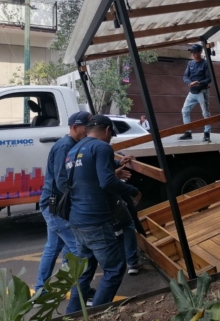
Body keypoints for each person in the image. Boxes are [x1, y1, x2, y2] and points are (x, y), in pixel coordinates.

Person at [65, 115, 142, 314]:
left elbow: (88, 173)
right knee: (115, 269)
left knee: (84, 272)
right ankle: (96, 314)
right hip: (95, 220)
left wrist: (115, 164)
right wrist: (133, 190)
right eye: (111, 135)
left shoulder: (74, 149)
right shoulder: (102, 147)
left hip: (77, 219)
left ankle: (72, 315)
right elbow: (107, 181)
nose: (110, 139)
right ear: (107, 129)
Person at [33, 111, 91, 301]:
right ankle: (79, 291)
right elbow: (61, 181)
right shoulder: (65, 146)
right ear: (75, 127)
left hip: (55, 205)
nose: (89, 132)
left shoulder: (73, 144)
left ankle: (42, 291)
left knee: (54, 248)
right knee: (77, 250)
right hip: (56, 207)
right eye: (87, 128)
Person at [179, 43, 212, 142]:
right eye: (192, 52)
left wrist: (198, 82)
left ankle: (207, 134)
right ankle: (188, 133)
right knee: (185, 111)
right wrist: (189, 83)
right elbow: (185, 76)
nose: (193, 54)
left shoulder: (205, 64)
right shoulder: (190, 64)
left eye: (195, 52)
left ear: (200, 52)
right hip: (192, 92)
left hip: (202, 92)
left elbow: (209, 79)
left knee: (205, 113)